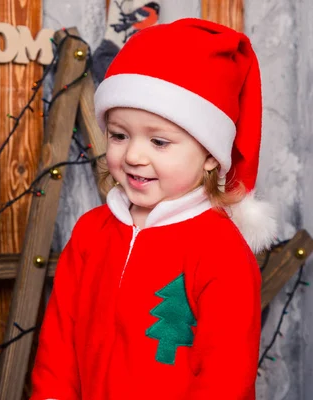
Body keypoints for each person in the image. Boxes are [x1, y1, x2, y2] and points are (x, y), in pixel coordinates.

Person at [30, 18, 277, 400]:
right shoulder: (90, 232)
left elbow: (225, 379)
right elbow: (57, 346)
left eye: (159, 141)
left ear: (211, 155)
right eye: (119, 135)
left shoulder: (221, 253)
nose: (133, 155)